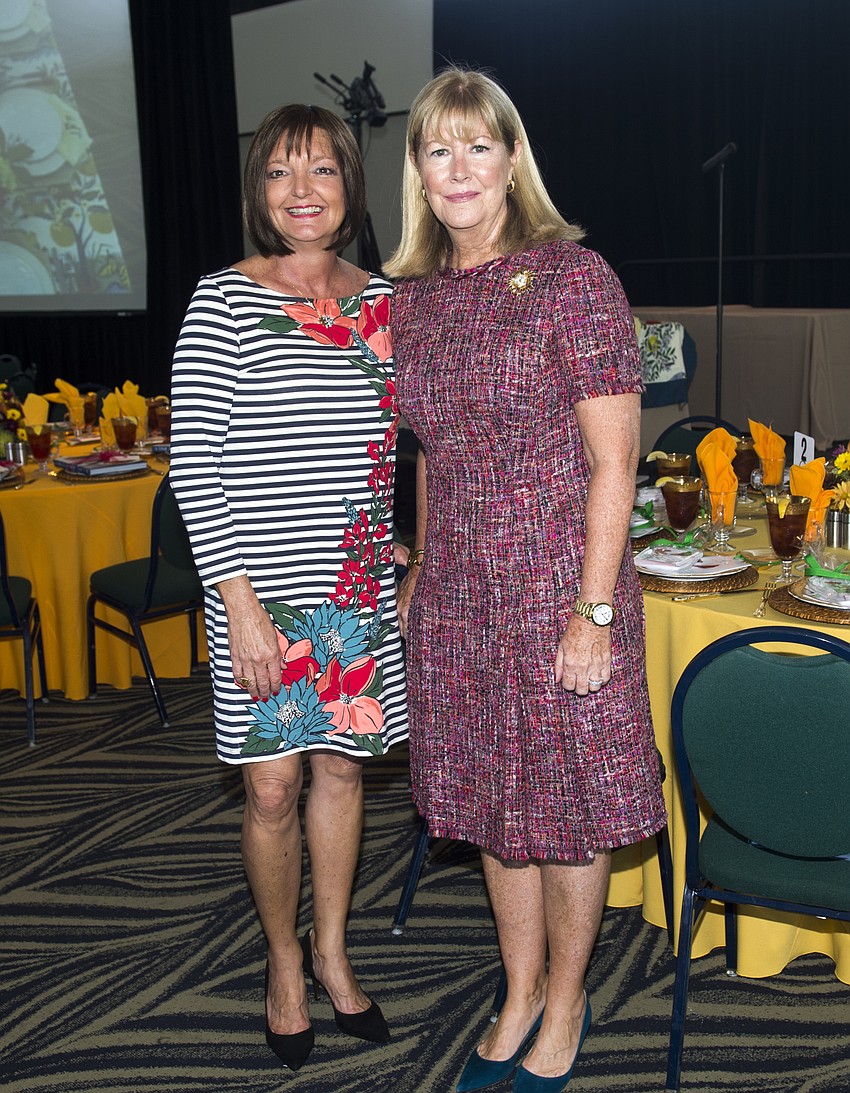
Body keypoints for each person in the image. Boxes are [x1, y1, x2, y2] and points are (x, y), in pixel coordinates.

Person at [385, 68, 666, 1093]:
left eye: (477, 145)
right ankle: (515, 986)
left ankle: (566, 997)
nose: (457, 168)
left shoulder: (573, 278)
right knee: (488, 804)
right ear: (416, 170)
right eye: (436, 148)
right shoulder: (410, 301)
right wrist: (418, 565)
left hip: (560, 581)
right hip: (458, 589)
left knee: (566, 805)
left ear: (511, 160)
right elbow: (427, 444)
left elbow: (616, 463)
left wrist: (592, 612)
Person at [169, 104, 407, 1072]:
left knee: (341, 771)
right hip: (259, 593)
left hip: (352, 585)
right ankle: (280, 961)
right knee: (271, 787)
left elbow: (394, 435)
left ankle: (334, 951)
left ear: (351, 185)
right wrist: (238, 605)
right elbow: (195, 460)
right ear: (256, 192)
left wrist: (399, 540)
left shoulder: (386, 298)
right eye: (278, 173)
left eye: (319, 171)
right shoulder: (223, 297)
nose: (300, 191)